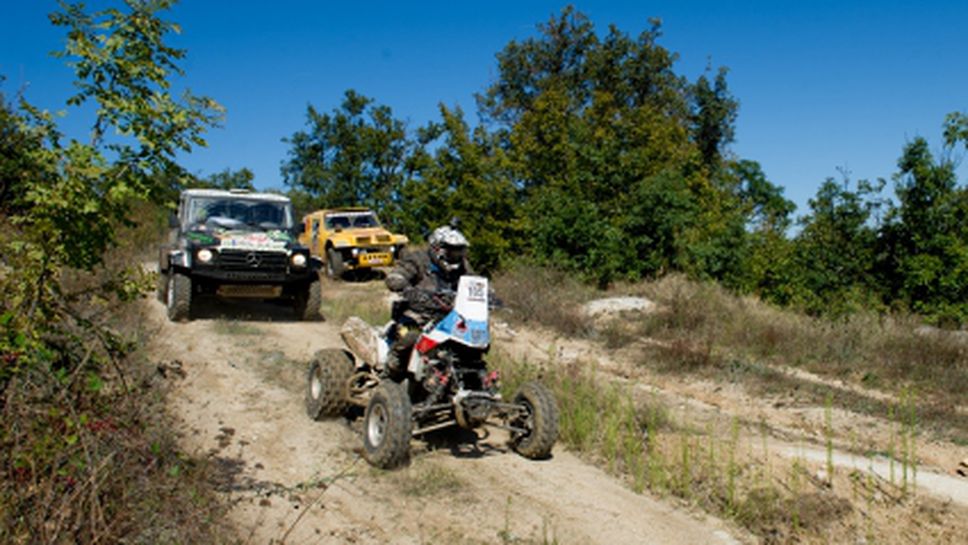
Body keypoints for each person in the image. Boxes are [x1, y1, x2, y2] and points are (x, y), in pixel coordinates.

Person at [383, 223, 473, 374]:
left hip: (450, 317)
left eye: (459, 251)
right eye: (452, 251)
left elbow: (474, 281)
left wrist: (489, 295)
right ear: (438, 249)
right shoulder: (418, 259)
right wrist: (403, 285)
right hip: (417, 314)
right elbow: (397, 275)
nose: (456, 256)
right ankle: (394, 360)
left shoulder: (463, 266)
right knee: (411, 336)